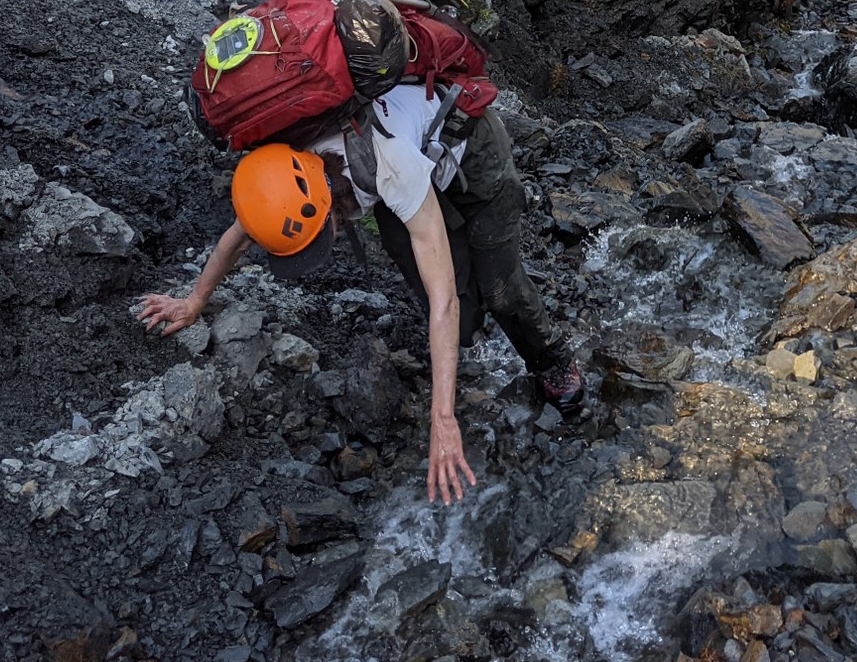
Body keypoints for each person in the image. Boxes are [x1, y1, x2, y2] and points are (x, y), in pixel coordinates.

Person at [136, 69, 582, 506]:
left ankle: (554, 362)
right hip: (398, 164)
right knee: (461, 319)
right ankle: (467, 298)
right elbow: (240, 235)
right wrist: (194, 301)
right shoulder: (285, 168)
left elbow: (442, 298)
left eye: (315, 240)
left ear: (329, 207)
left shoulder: (394, 168)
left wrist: (442, 418)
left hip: (474, 152)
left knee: (500, 290)